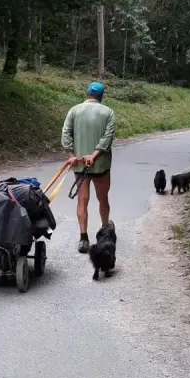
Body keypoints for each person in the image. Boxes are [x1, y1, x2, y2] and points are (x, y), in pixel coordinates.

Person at [61, 82, 117, 253]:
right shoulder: (108, 112)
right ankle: (105, 232)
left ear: (87, 94)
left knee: (82, 200)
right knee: (103, 199)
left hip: (79, 165)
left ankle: (83, 238)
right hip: (100, 165)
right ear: (101, 96)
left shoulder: (74, 110)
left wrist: (71, 156)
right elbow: (107, 138)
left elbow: (66, 133)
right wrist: (94, 156)